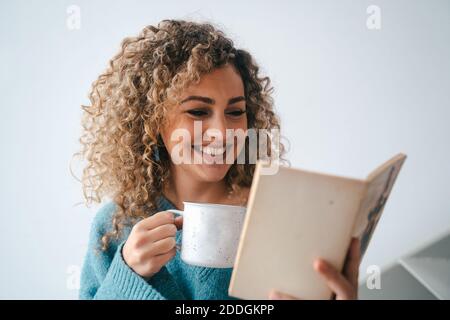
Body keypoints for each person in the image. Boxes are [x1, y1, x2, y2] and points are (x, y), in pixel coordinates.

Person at [77, 19, 360, 300]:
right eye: (198, 112)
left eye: (236, 112)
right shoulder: (116, 226)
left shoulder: (278, 216)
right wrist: (127, 277)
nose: (222, 133)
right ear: (153, 121)